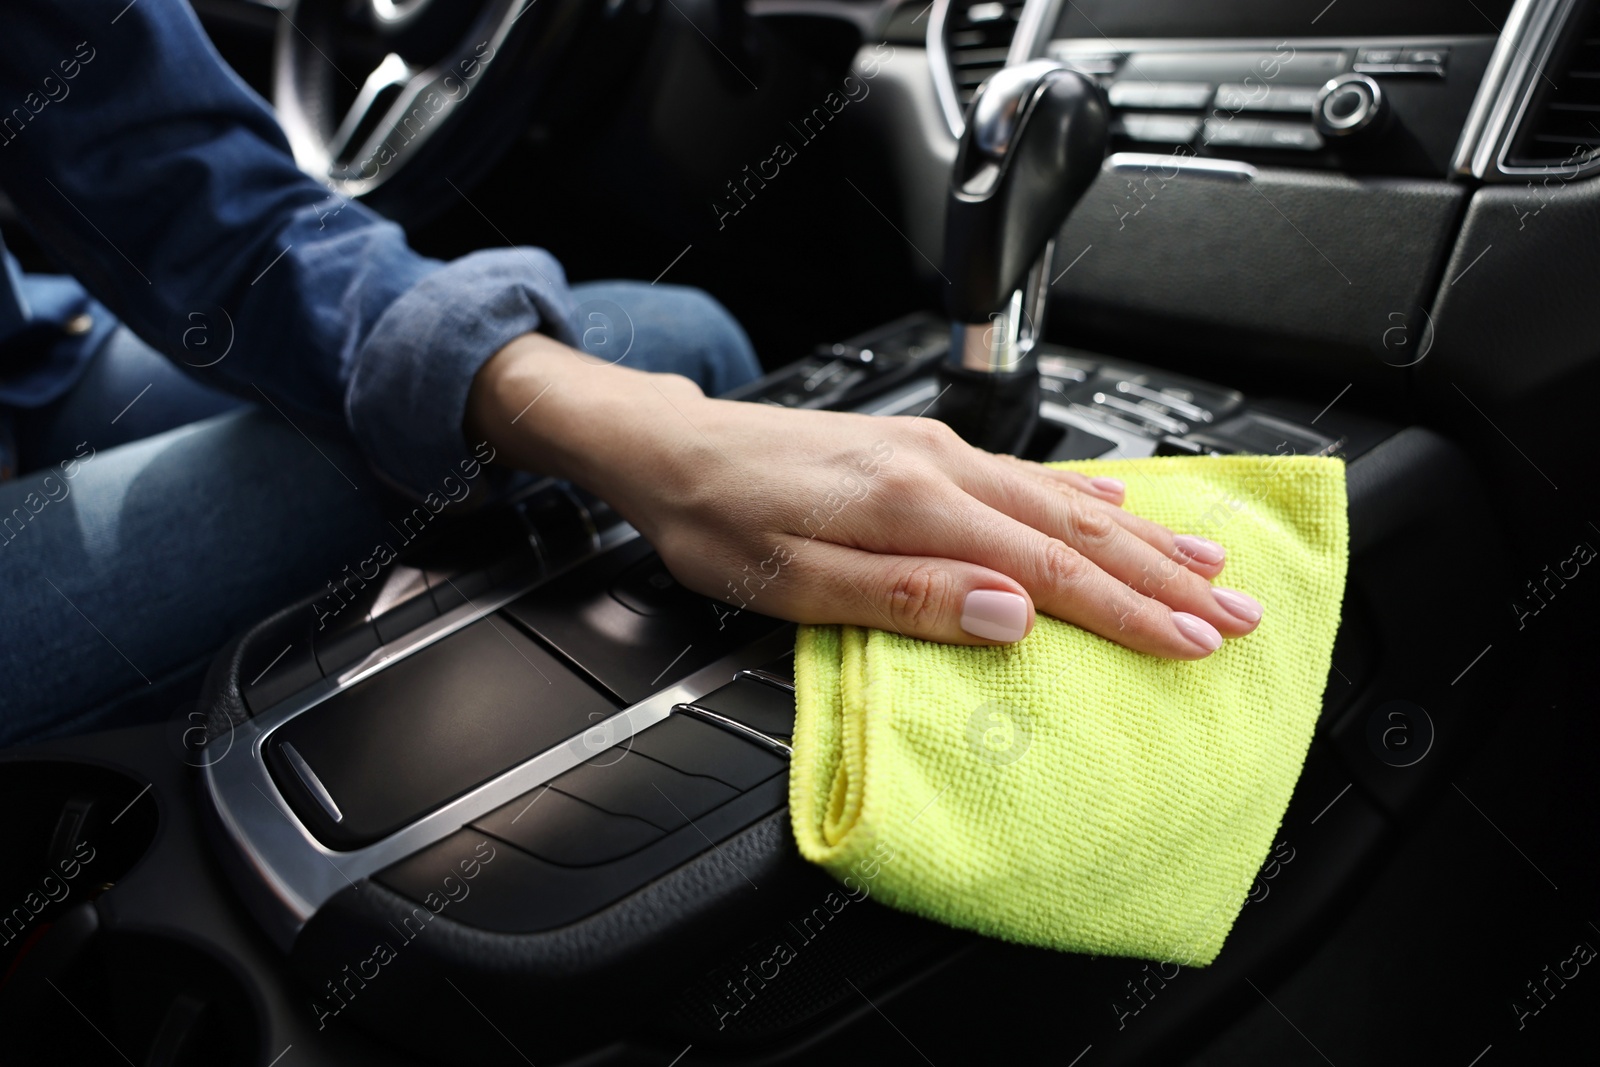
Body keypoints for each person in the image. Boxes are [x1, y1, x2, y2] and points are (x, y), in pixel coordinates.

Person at [0, 1, 1261, 748]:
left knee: (664, 352)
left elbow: (192, 195)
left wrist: (655, 434)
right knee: (672, 366)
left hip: (36, 351)